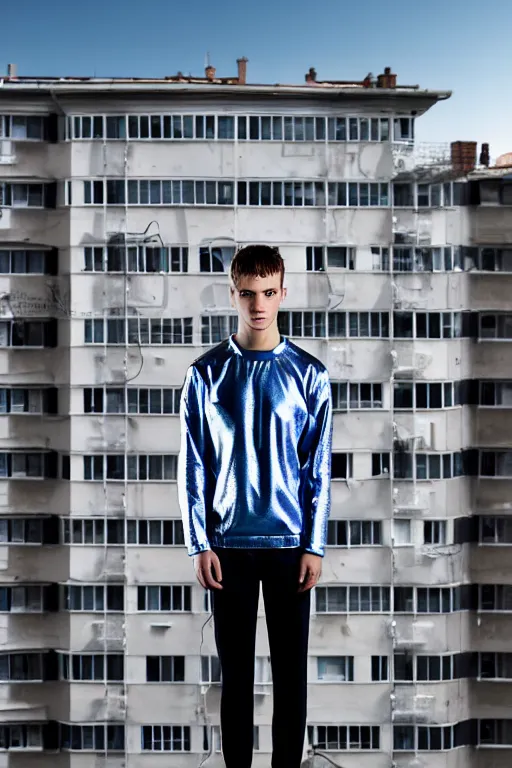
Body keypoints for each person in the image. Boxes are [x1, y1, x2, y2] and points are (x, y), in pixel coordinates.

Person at [178, 244, 333, 768]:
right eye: (248, 294)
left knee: (291, 676)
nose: (259, 305)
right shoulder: (205, 374)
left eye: (269, 293)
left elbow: (319, 468)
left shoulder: (310, 375)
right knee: (236, 679)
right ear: (233, 295)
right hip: (227, 548)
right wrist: (199, 543)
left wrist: (315, 544)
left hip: (291, 548)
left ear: (283, 293)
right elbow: (192, 466)